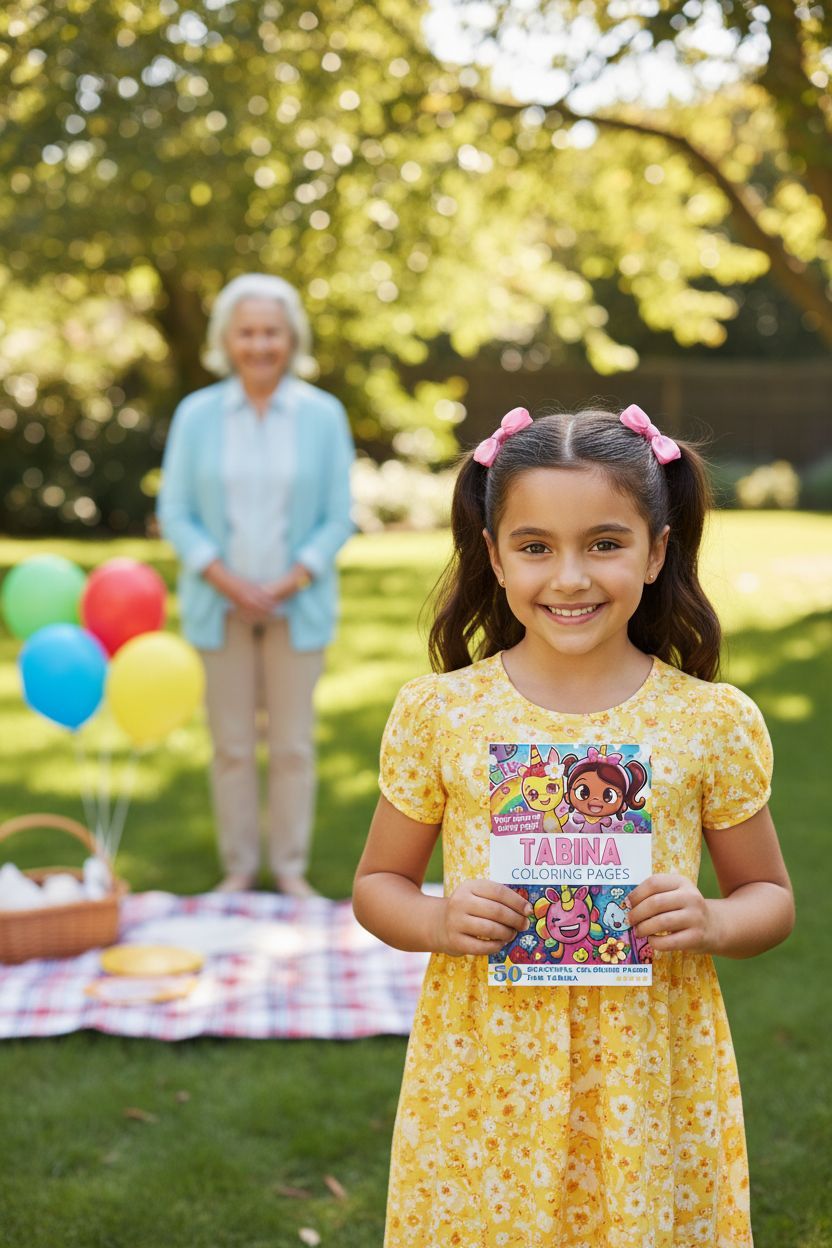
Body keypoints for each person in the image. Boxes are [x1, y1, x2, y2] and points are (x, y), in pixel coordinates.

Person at [353, 404, 794, 1246]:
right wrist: (437, 920)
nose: (569, 577)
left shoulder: (710, 722)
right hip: (487, 1070)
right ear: (494, 556)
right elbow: (378, 884)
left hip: (647, 1067)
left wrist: (713, 920)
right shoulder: (440, 714)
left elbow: (769, 897)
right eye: (535, 547)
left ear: (656, 551)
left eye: (604, 544)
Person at [158, 274, 354, 897]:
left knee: (293, 746)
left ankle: (290, 869)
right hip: (220, 605)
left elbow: (338, 516)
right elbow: (175, 512)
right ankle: (239, 869)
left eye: (272, 331)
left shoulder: (323, 415)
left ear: (291, 338)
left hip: (300, 605)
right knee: (232, 747)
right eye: (247, 332)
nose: (260, 344)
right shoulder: (197, 415)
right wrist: (230, 582)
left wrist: (289, 581)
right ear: (227, 340)